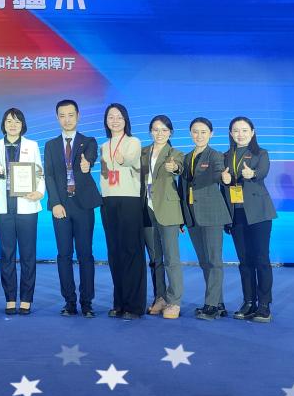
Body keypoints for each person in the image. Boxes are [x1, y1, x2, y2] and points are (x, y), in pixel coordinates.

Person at [43, 99, 102, 318]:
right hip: (61, 206)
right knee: (64, 255)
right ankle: (69, 301)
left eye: (70, 115)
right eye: (62, 115)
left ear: (78, 116)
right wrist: (55, 203)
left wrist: (87, 164)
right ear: (57, 118)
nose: (67, 119)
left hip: (83, 205)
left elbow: (91, 158)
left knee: (85, 254)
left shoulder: (88, 141)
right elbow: (49, 175)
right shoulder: (50, 145)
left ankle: (87, 302)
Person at [0, 108, 45, 315]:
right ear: (3, 124)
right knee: (7, 254)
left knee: (28, 254)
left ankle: (27, 299)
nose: (13, 125)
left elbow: (39, 172)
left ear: (23, 125)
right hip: (3, 205)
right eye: (9, 121)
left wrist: (39, 192)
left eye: (17, 121)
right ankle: (10, 298)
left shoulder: (32, 145)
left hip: (27, 204)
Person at [222, 116, 278, 323]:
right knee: (244, 261)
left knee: (261, 259)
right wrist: (224, 180)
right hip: (236, 214)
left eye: (244, 130)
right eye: (236, 130)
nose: (240, 134)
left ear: (252, 132)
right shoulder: (225, 156)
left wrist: (251, 173)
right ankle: (248, 302)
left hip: (259, 214)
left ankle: (264, 305)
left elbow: (262, 172)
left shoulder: (261, 153)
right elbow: (223, 186)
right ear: (230, 133)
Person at [180, 117, 231, 321]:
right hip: (192, 215)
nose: (199, 135)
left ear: (211, 134)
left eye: (203, 132)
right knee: (204, 261)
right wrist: (183, 217)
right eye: (195, 131)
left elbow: (219, 172)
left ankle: (211, 305)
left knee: (214, 261)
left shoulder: (215, 155)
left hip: (212, 214)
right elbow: (182, 188)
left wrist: (223, 178)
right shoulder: (186, 158)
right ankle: (219, 303)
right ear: (190, 133)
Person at [98, 103, 145, 320]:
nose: (115, 120)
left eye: (119, 117)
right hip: (108, 200)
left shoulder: (133, 142)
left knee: (131, 251)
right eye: (111, 117)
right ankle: (119, 302)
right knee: (114, 252)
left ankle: (134, 305)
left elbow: (131, 159)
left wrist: (122, 159)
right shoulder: (103, 145)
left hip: (129, 200)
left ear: (126, 120)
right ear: (106, 121)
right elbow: (105, 174)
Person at [140, 115, 186, 320]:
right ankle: (160, 297)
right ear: (150, 131)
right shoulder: (143, 152)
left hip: (167, 210)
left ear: (170, 133)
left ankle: (174, 301)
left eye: (164, 130)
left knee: (171, 259)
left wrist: (174, 168)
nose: (160, 133)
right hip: (146, 209)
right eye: (156, 129)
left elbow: (179, 167)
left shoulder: (175, 154)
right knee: (155, 259)